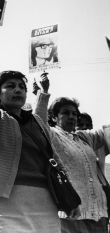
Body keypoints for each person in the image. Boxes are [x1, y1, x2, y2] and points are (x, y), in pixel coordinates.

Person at [0, 27, 79, 233]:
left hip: (46, 201)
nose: (18, 89)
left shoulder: (36, 121)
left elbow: (53, 157)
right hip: (3, 202)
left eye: (21, 86)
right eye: (10, 86)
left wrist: (70, 196)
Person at [35, 88, 110, 232]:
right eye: (65, 113)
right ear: (54, 117)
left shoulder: (84, 137)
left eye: (74, 114)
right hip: (71, 215)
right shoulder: (51, 135)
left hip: (99, 214)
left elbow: (107, 131)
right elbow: (38, 121)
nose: (71, 117)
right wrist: (43, 92)